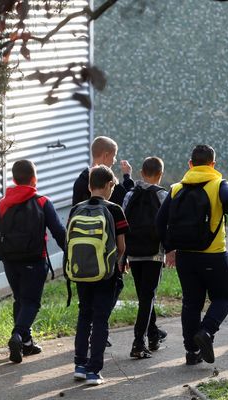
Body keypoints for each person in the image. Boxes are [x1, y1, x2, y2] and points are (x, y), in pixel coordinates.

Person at [156, 145, 228, 365]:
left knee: (191, 303)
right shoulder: (218, 184)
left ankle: (191, 352)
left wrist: (170, 247)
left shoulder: (176, 189)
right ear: (213, 164)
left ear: (190, 164)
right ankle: (207, 331)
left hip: (185, 257)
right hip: (213, 255)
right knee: (223, 297)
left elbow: (159, 222)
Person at [0, 159, 66, 363]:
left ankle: (26, 344)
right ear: (34, 179)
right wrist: (70, 251)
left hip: (10, 262)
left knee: (20, 300)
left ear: (14, 179)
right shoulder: (42, 202)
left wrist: (2, 255)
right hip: (34, 260)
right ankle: (18, 335)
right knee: (31, 302)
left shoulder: (3, 204)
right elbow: (59, 231)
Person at [72, 136, 133, 346]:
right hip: (107, 253)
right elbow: (123, 204)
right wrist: (126, 178)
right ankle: (97, 331)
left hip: (83, 254)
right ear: (106, 155)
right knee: (110, 290)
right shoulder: (108, 184)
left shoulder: (81, 180)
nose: (114, 160)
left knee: (85, 303)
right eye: (113, 156)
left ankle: (86, 340)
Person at [70, 165, 128, 386]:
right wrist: (116, 264)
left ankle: (80, 366)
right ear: (108, 185)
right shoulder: (114, 210)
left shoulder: (77, 209)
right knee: (100, 319)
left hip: (80, 273)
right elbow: (121, 246)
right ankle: (94, 371)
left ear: (89, 185)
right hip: (106, 274)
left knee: (84, 315)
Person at [122, 157, 169, 359]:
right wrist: (170, 250)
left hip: (133, 251)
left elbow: (122, 223)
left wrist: (123, 255)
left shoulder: (129, 194)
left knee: (145, 295)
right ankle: (138, 342)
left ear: (141, 173)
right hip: (154, 253)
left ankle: (153, 334)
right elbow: (168, 224)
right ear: (160, 175)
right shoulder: (163, 195)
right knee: (147, 296)